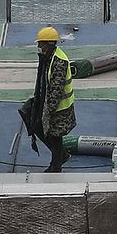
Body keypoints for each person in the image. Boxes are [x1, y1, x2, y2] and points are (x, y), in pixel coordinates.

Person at [33, 26, 76, 172]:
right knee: (36, 125)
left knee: (55, 135)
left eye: (41, 44)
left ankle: (56, 166)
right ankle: (61, 155)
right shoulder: (48, 58)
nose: (39, 46)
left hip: (59, 107)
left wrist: (48, 111)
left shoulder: (59, 61)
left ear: (48, 44)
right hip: (48, 103)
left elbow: (56, 91)